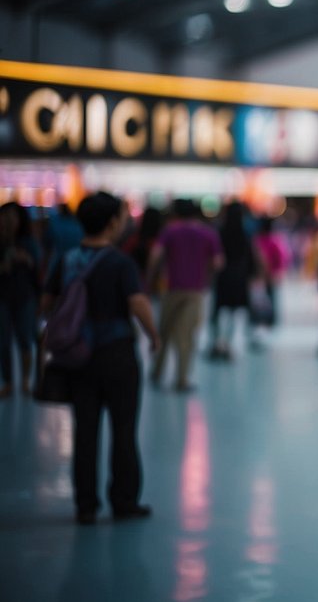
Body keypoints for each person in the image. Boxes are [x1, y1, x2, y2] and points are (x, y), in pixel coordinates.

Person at [44, 193, 159, 525]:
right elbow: (137, 304)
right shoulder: (121, 263)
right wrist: (153, 334)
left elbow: (47, 304)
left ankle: (85, 504)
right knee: (124, 430)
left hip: (78, 357)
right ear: (112, 223)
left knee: (85, 430)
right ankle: (123, 501)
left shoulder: (66, 260)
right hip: (118, 353)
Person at [147, 200, 222, 392]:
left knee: (164, 331)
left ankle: (157, 371)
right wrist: (205, 275)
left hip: (171, 289)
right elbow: (218, 262)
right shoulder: (208, 234)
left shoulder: (170, 231)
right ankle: (181, 379)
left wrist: (150, 279)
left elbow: (155, 256)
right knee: (187, 335)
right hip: (196, 290)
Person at [210, 202, 260, 360]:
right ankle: (228, 343)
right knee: (233, 312)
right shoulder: (245, 234)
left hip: (222, 276)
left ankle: (217, 342)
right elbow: (251, 256)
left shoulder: (220, 232)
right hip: (239, 276)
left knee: (218, 310)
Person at [0, 203, 41, 396]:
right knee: (4, 341)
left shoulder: (28, 243)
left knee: (25, 339)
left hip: (25, 296)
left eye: (12, 216)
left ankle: (25, 379)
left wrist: (27, 260)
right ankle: (8, 381)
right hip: (3, 297)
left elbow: (38, 269)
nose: (9, 220)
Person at [252, 216, 289, 331]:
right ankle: (271, 319)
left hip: (260, 275)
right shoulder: (274, 240)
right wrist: (278, 271)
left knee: (260, 298)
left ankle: (259, 319)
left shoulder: (257, 240)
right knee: (271, 297)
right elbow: (281, 257)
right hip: (271, 274)